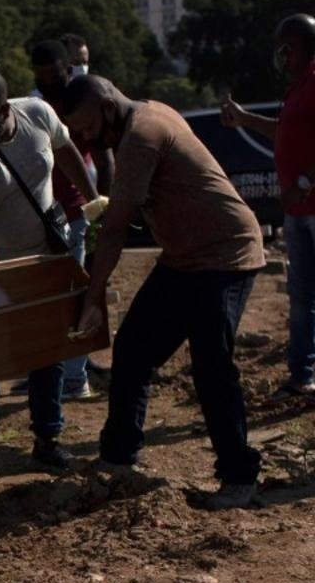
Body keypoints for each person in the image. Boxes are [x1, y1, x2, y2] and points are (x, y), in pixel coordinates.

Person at [63, 77, 265, 509]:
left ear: (105, 104)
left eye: (85, 127)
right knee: (134, 348)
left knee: (211, 365)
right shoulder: (143, 116)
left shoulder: (142, 133)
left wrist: (93, 298)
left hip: (226, 254)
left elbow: (115, 228)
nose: (85, 137)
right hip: (183, 258)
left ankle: (239, 477)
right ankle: (118, 457)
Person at [0, 70, 100, 488]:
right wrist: (6, 298)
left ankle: (48, 441)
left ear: (5, 109)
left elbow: (66, 152)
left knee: (46, 353)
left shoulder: (37, 114)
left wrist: (94, 202)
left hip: (44, 257)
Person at [222, 13, 315, 403]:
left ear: (294, 47)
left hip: (310, 205)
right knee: (302, 296)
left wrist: (304, 184)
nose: (279, 57)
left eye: (283, 48)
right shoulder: (298, 89)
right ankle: (302, 377)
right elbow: (283, 133)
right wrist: (244, 119)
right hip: (298, 214)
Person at [29, 39, 113, 399]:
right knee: (49, 298)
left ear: (68, 71)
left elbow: (103, 157)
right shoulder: (34, 105)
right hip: (44, 215)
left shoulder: (80, 101)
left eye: (53, 74)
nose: (48, 80)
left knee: (74, 295)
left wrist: (101, 210)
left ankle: (76, 378)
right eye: (41, 75)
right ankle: (52, 371)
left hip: (77, 212)